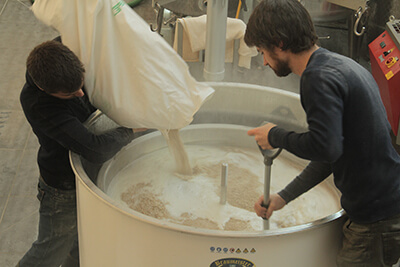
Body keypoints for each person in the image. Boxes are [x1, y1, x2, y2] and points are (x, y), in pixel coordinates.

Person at [244, 0, 400, 266]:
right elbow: (332, 152)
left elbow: (325, 146)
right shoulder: (340, 65)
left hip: (375, 221)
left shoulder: (317, 79)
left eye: (262, 51)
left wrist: (275, 135)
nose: (264, 61)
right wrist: (284, 197)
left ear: (279, 43)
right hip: (381, 210)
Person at [17, 38, 145, 267]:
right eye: (69, 94)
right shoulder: (39, 105)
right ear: (45, 89)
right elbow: (94, 148)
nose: (80, 94)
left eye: (81, 84)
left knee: (81, 243)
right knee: (50, 251)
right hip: (61, 187)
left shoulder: (68, 46)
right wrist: (132, 130)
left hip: (79, 179)